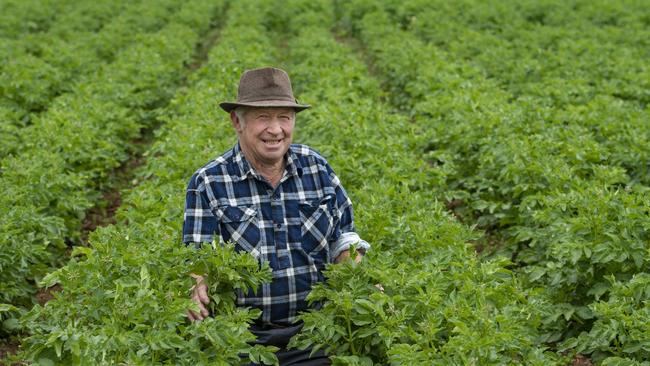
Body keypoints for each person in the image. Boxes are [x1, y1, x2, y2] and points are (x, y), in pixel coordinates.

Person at [182, 67, 370, 365]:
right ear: (237, 121)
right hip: (240, 339)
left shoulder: (316, 168)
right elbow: (197, 256)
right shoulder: (209, 181)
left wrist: (361, 279)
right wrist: (195, 285)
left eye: (284, 117)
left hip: (317, 335)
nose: (275, 129)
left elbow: (343, 238)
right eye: (263, 117)